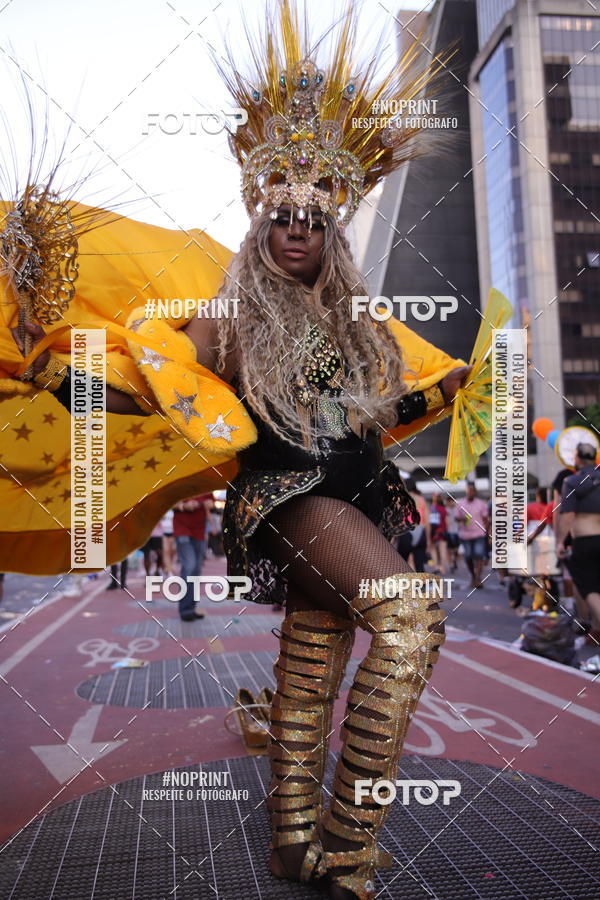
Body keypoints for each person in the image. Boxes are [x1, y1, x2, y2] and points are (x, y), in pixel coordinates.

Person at [7, 7, 475, 897]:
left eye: (313, 214)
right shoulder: (225, 318)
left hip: (354, 493)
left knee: (313, 663)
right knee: (409, 616)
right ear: (261, 222)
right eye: (280, 213)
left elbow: (376, 406)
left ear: (332, 228)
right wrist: (53, 363)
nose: (295, 226)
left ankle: (292, 841)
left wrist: (454, 387)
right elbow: (143, 373)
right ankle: (350, 838)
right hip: (290, 497)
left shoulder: (358, 324)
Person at [557, 442, 600, 631]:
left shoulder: (572, 482)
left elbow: (567, 516)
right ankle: (596, 631)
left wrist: (559, 542)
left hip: (585, 540)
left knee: (588, 588)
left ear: (577, 459)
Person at [173, 495, 216, 622]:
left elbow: (212, 502)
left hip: (199, 531)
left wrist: (210, 503)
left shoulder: (205, 481)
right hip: (182, 529)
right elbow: (167, 503)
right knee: (189, 566)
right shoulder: (179, 481)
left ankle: (191, 608)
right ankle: (185, 609)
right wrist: (183, 506)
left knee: (196, 570)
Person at [456, 482, 489, 589]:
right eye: (468, 490)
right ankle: (473, 576)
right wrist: (462, 519)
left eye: (472, 490)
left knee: (479, 555)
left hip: (479, 534)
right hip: (465, 536)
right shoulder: (461, 504)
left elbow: (485, 520)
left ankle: (478, 578)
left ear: (475, 492)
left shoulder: (481, 504)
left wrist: (487, 534)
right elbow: (456, 517)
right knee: (468, 556)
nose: (470, 492)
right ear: (466, 491)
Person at [429, 493, 448, 575]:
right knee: (442, 551)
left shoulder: (430, 508)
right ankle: (442, 568)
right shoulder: (443, 509)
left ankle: (436, 566)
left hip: (433, 532)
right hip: (442, 531)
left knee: (433, 550)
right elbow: (446, 522)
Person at [445, 497, 460, 572]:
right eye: (447, 502)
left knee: (456, 549)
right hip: (448, 532)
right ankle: (451, 564)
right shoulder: (445, 509)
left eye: (450, 501)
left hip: (456, 531)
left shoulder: (457, 509)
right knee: (449, 549)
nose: (448, 503)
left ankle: (454, 559)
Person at [160, 509, 176, 576]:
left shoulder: (175, 509)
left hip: (173, 532)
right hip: (163, 532)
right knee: (166, 551)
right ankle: (169, 571)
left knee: (173, 550)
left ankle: (169, 566)